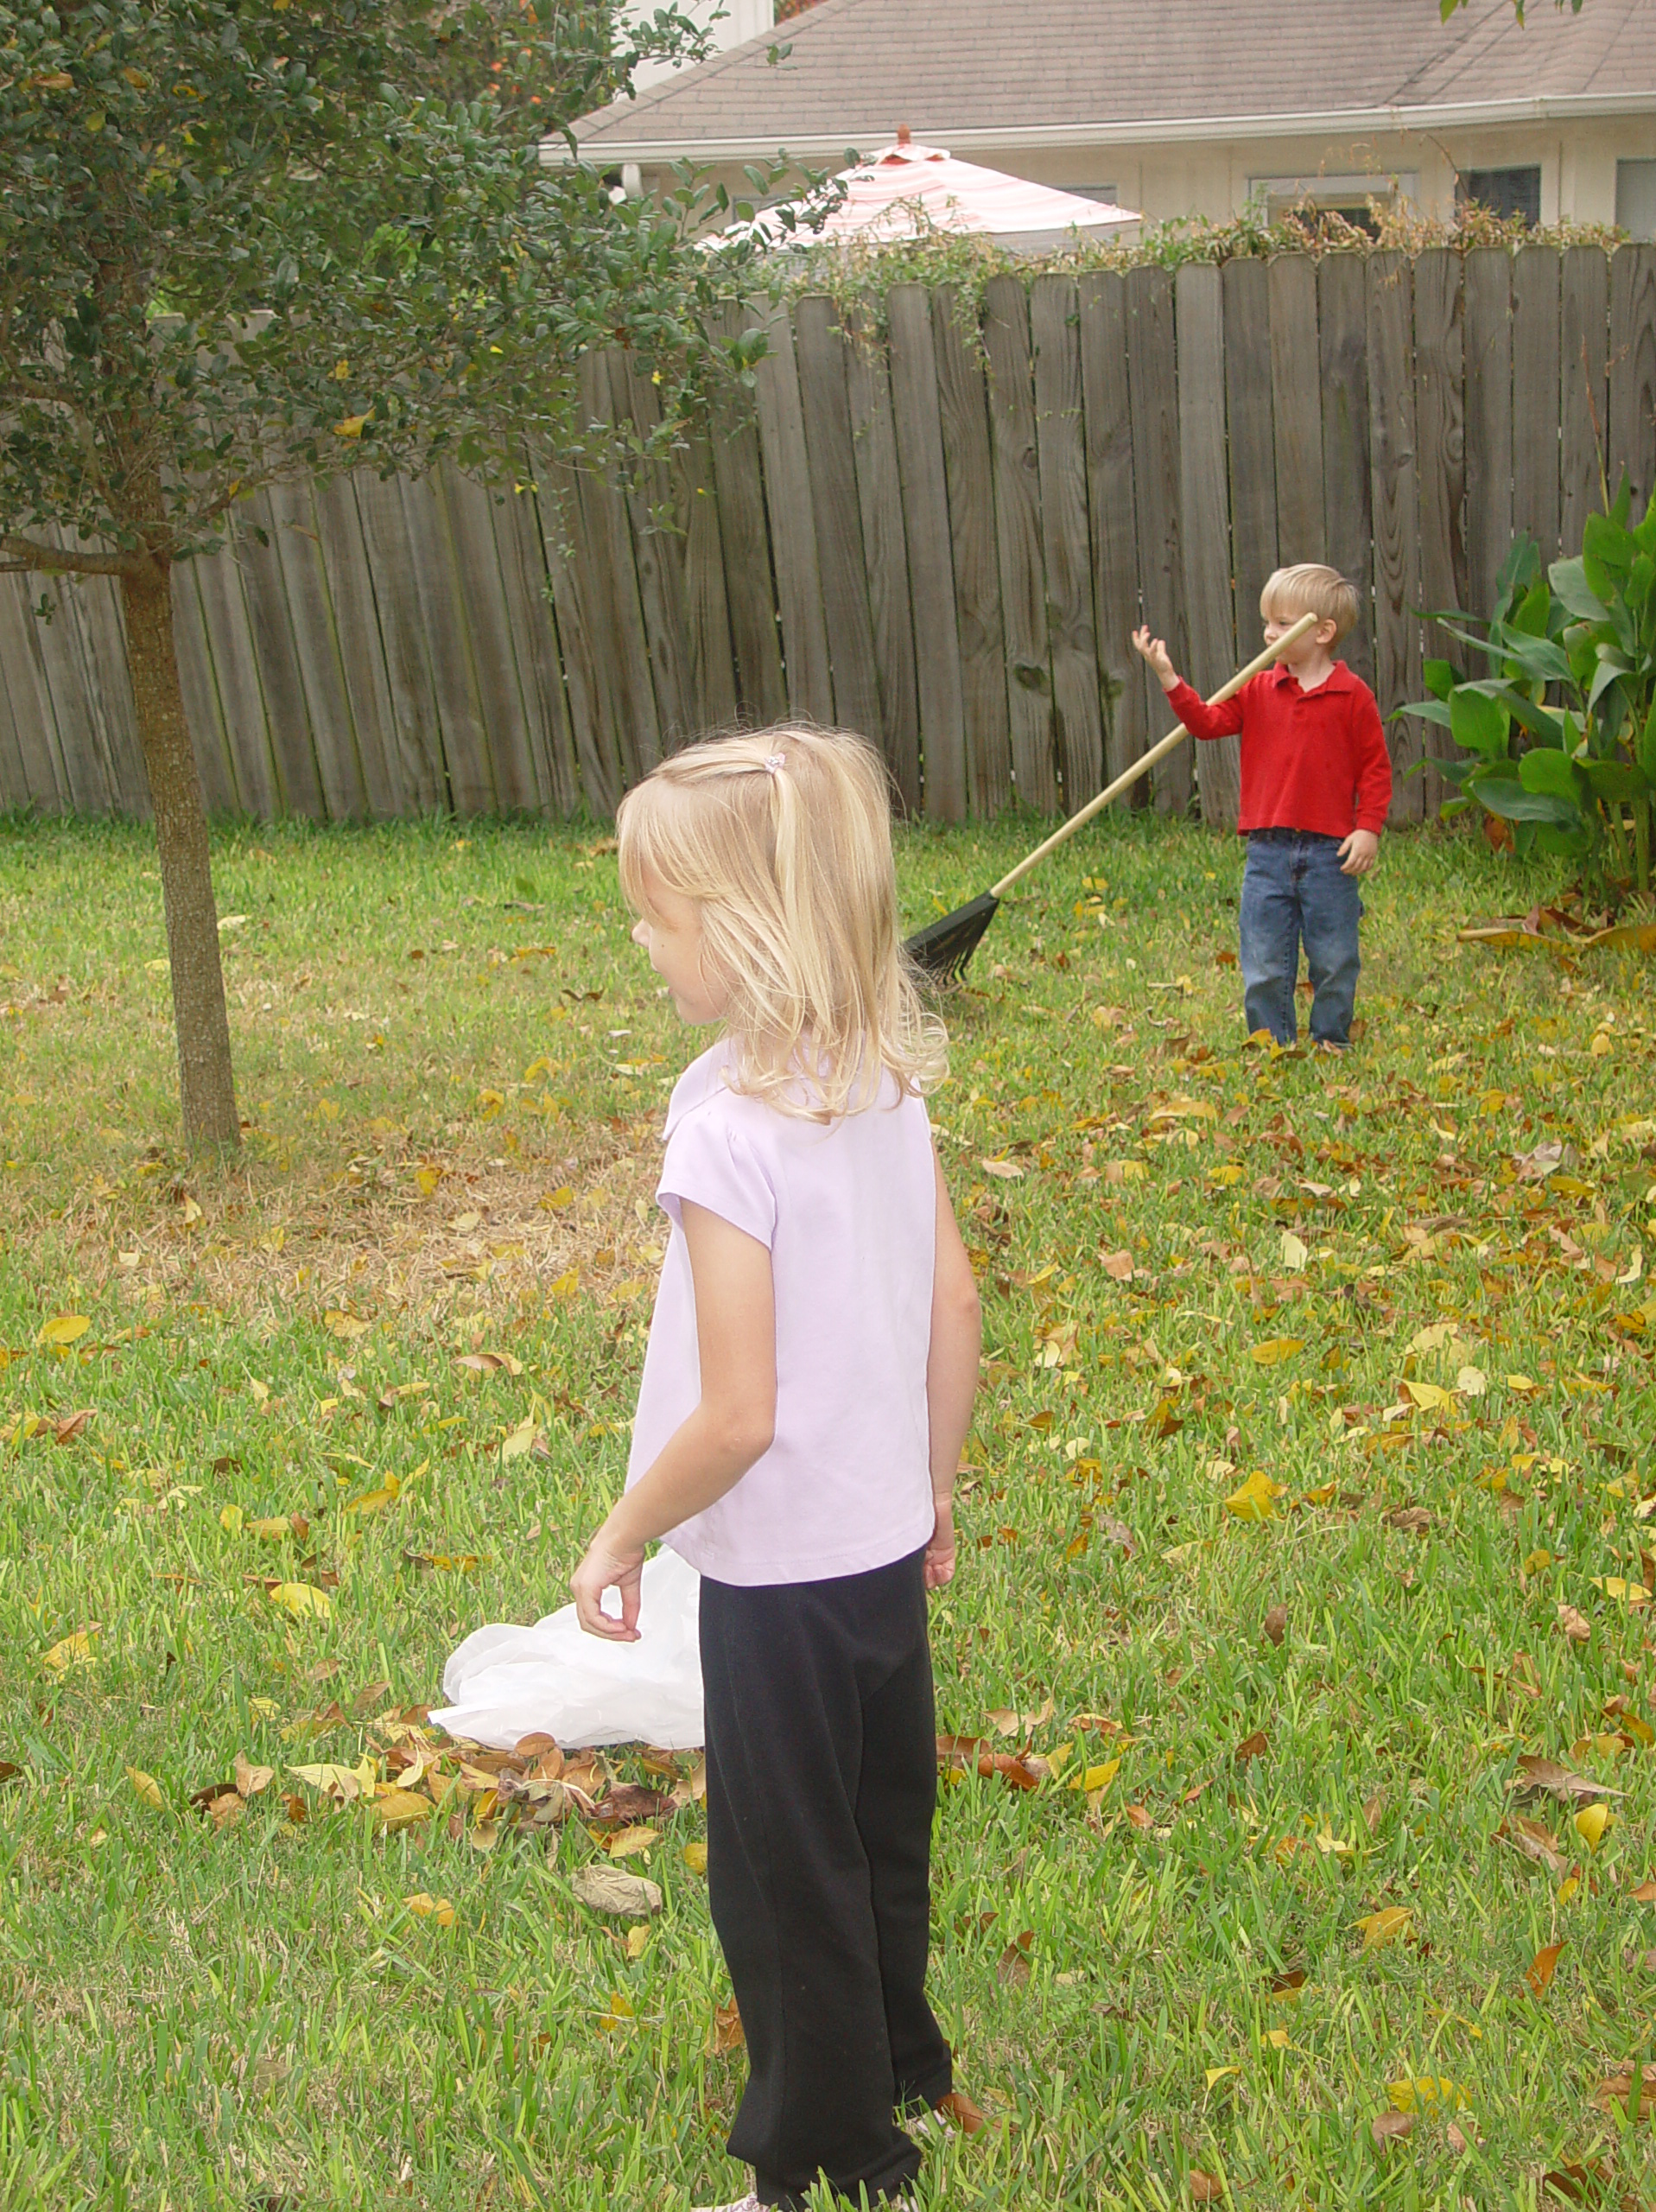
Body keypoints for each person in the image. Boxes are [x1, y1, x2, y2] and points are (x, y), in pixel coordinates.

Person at [569, 726, 981, 2212]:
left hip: (775, 1578)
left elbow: (736, 1414)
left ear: (739, 934)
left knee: (779, 1872)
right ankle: (899, 2052)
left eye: (656, 916)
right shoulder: (883, 1078)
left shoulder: (724, 1125)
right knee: (877, 1827)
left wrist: (620, 1535)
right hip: (873, 1552)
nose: (638, 937)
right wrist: (932, 1491)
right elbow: (954, 1306)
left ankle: (828, 2153)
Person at [1132, 563, 1392, 1050]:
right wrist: (1169, 679)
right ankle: (1270, 1044)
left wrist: (1368, 828)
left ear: (1322, 632)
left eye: (1281, 623)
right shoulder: (1258, 689)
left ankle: (1331, 1038)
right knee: (1264, 959)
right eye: (1266, 622)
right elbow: (1206, 723)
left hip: (1330, 854)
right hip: (1267, 852)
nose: (1268, 633)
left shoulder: (1353, 697)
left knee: (1335, 957)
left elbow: (1376, 770)